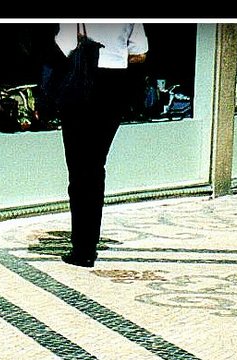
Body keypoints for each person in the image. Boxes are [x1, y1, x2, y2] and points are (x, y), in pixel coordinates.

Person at [52, 23, 147, 268]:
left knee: (78, 166)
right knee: (95, 165)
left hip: (82, 77)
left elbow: (64, 45)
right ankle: (88, 245)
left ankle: (82, 248)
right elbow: (139, 52)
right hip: (116, 84)